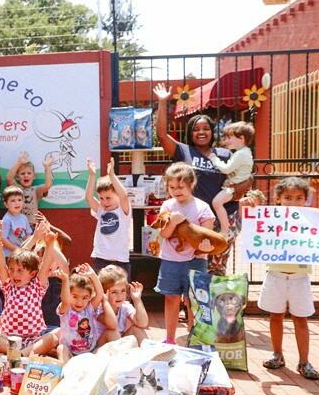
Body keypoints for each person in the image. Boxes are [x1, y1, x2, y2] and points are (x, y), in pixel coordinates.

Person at [153, 83, 249, 276]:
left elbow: (246, 174)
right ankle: (191, 304)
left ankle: (213, 306)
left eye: (206, 128)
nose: (202, 132)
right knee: (192, 264)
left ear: (213, 132)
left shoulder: (224, 154)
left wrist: (242, 190)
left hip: (223, 217)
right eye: (196, 129)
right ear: (190, 133)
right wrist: (163, 102)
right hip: (191, 219)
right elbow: (162, 136)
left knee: (217, 267)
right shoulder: (184, 151)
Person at [253, 177, 319, 380]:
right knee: (275, 316)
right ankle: (277, 354)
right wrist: (247, 203)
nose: (293, 202)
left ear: (306, 200)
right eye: (288, 197)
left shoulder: (313, 217)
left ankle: (304, 361)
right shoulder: (272, 217)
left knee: (300, 319)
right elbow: (250, 218)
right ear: (278, 199)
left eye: (299, 198)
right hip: (275, 274)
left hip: (300, 277)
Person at [156, 162, 215, 344]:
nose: (176, 191)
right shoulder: (166, 206)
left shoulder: (202, 207)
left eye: (181, 186)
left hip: (195, 261)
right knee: (171, 297)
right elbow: (164, 234)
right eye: (172, 187)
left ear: (191, 184)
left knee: (194, 301)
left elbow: (208, 237)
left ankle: (194, 335)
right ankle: (170, 338)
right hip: (170, 260)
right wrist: (172, 223)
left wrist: (206, 247)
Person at [0, 221, 56, 352]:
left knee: (51, 339)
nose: (14, 274)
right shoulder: (8, 286)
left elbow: (45, 266)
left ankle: (22, 354)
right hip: (9, 338)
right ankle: (18, 353)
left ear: (32, 273)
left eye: (20, 270)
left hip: (32, 339)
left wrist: (50, 244)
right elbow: (1, 264)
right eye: (12, 269)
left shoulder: (37, 286)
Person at [31, 266, 118, 364]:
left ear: (89, 297)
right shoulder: (66, 308)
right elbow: (66, 300)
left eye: (84, 298)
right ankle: (66, 373)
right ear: (69, 294)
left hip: (91, 352)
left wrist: (93, 275)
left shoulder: (89, 308)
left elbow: (99, 294)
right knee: (61, 348)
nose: (79, 302)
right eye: (75, 296)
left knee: (112, 334)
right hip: (71, 353)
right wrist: (65, 281)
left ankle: (118, 366)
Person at [85, 157, 132, 277]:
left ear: (117, 195)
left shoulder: (123, 210)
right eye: (101, 198)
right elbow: (89, 198)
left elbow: (124, 195)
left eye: (108, 198)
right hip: (101, 259)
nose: (104, 201)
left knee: (121, 294)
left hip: (120, 260)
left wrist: (112, 175)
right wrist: (91, 175)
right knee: (99, 292)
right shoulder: (101, 210)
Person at [208, 122, 254, 239]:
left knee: (216, 203)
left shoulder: (241, 154)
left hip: (233, 188)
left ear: (241, 138)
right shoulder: (244, 152)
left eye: (229, 137)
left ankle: (225, 229)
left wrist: (215, 159)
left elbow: (226, 169)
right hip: (233, 186)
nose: (225, 141)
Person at [98, 265, 148, 344]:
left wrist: (137, 300)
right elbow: (112, 325)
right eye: (114, 292)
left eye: (123, 291)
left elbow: (142, 323)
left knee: (137, 330)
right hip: (101, 345)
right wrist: (105, 301)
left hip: (118, 343)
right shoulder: (100, 308)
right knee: (112, 333)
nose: (120, 296)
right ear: (104, 293)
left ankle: (148, 353)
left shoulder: (125, 306)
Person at [6, 151, 54, 227]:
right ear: (17, 177)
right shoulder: (17, 189)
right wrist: (19, 162)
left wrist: (47, 167)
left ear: (34, 176)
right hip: (17, 226)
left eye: (29, 173)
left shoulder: (36, 190)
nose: (26, 175)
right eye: (22, 173)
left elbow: (48, 185)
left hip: (32, 226)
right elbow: (9, 178)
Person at [0, 186, 33, 256]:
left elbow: (28, 234)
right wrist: (17, 250)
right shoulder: (6, 219)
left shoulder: (24, 217)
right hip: (9, 255)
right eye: (13, 200)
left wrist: (26, 248)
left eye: (19, 200)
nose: (17, 203)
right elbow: (3, 239)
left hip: (22, 254)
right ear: (6, 204)